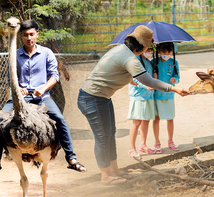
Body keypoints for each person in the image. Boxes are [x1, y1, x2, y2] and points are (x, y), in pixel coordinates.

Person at [77, 25, 190, 185]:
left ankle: (114, 170)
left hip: (102, 97)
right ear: (143, 46)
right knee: (103, 137)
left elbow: (119, 74)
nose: (149, 50)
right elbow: (149, 81)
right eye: (148, 47)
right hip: (92, 98)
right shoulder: (130, 59)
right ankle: (106, 175)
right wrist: (175, 88)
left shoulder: (122, 51)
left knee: (110, 133)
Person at [0, 19, 86, 184]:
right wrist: (19, 89)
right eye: (25, 35)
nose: (29, 38)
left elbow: (54, 76)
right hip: (19, 97)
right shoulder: (15, 55)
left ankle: (71, 158)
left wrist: (43, 88)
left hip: (42, 97)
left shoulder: (46, 53)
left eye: (31, 34)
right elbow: (11, 78)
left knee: (59, 119)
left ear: (37, 35)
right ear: (22, 37)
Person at [153, 42, 180, 153]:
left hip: (169, 94)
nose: (167, 54)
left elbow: (177, 77)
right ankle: (157, 142)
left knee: (170, 118)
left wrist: (175, 80)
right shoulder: (154, 62)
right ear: (159, 51)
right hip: (156, 94)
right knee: (156, 118)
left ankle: (170, 140)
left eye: (169, 52)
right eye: (164, 52)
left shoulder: (174, 62)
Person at [128, 48, 155, 159]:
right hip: (138, 95)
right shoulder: (135, 60)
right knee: (137, 122)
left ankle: (142, 144)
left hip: (148, 95)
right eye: (147, 49)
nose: (149, 52)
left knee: (146, 120)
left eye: (151, 49)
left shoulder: (149, 62)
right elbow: (134, 79)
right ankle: (131, 148)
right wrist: (145, 86)